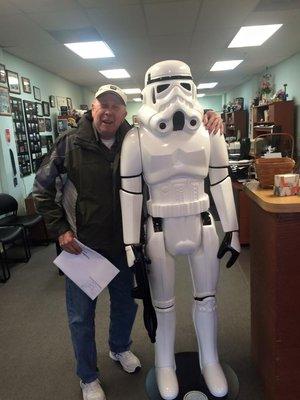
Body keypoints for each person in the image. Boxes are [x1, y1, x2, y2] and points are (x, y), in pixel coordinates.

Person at [32, 83, 224, 400]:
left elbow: (175, 126)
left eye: (116, 106)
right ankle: (88, 377)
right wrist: (60, 229)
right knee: (81, 317)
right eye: (102, 105)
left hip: (125, 243)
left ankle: (119, 348)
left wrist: (207, 115)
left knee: (125, 306)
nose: (108, 112)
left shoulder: (134, 139)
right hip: (83, 247)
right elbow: (41, 189)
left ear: (124, 112)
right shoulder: (70, 144)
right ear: (92, 108)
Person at [120, 61, 240, 400]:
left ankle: (210, 361)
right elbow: (129, 192)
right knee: (163, 304)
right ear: (148, 91)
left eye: (183, 86)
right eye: (165, 87)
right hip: (159, 226)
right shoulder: (136, 138)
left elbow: (219, 178)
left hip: (202, 223)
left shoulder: (210, 132)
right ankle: (164, 365)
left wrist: (231, 228)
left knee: (207, 299)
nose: (175, 96)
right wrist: (130, 242)